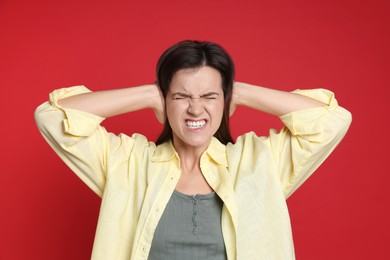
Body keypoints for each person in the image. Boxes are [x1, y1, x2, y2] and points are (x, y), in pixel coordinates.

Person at [35, 40, 352, 260]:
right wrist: (147, 94)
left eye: (209, 97)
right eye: (181, 96)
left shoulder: (260, 164)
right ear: (165, 101)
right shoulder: (128, 164)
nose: (195, 109)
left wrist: (238, 92)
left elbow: (332, 120)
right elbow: (51, 117)